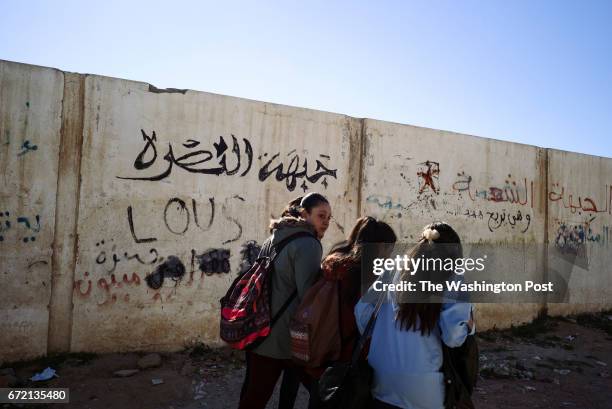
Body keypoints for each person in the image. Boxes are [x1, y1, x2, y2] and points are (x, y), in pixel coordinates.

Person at [355, 222, 475, 409]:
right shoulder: (454, 279)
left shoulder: (391, 270)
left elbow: (361, 313)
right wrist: (469, 326)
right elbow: (453, 338)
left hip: (383, 381)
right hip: (425, 391)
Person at [238, 193, 332, 409]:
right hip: (283, 339)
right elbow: (309, 298)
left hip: (258, 327)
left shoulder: (275, 237)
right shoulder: (309, 244)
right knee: (323, 394)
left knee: (253, 394)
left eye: (329, 217)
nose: (326, 222)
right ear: (304, 214)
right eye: (321, 215)